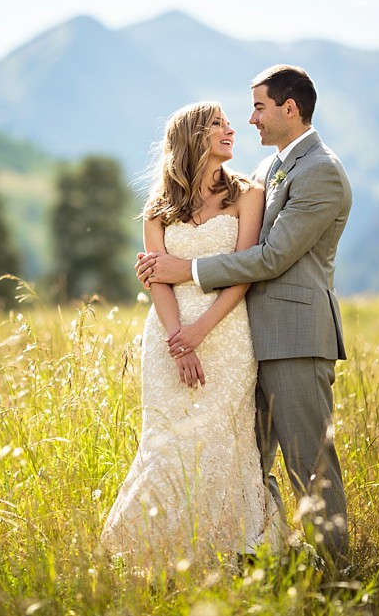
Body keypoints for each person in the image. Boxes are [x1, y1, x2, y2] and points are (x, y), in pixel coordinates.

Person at [135, 65, 352, 559]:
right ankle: (258, 555)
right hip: (246, 341)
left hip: (295, 336)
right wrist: (157, 270)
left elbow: (273, 257)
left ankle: (339, 572)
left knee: (310, 463)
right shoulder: (266, 171)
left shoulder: (321, 171)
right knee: (243, 462)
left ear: (288, 108)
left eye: (258, 107)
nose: (250, 119)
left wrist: (183, 268)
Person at [100, 101, 284, 569]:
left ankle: (230, 549)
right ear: (195, 136)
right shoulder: (157, 209)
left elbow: (244, 272)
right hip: (168, 337)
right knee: (167, 438)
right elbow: (156, 279)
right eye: (219, 123)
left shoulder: (248, 193)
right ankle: (155, 550)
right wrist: (179, 340)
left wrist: (200, 330)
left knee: (223, 434)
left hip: (226, 332)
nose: (231, 129)